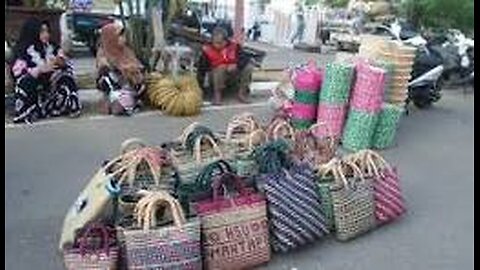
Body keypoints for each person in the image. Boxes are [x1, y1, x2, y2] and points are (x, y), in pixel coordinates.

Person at [11, 18, 81, 124]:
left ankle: (69, 105)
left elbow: (66, 64)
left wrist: (61, 62)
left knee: (65, 76)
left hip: (51, 89)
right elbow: (18, 72)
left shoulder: (52, 47)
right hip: (33, 86)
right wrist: (39, 70)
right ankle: (28, 111)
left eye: (47, 31)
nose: (46, 35)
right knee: (26, 81)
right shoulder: (22, 50)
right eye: (42, 31)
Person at [96, 23, 145, 115]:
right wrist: (125, 70)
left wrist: (134, 71)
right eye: (120, 36)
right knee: (120, 102)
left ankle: (131, 100)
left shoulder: (126, 51)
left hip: (131, 87)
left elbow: (138, 66)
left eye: (123, 36)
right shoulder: (104, 55)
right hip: (116, 89)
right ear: (111, 38)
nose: (123, 39)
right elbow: (105, 78)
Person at [197, 27, 253, 105]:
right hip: (215, 77)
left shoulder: (235, 47)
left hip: (232, 75)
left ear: (226, 41)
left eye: (220, 43)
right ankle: (217, 95)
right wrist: (199, 89)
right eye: (215, 43)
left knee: (248, 67)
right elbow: (201, 70)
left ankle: (242, 93)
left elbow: (245, 59)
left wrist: (237, 65)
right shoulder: (207, 50)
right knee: (221, 67)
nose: (217, 45)